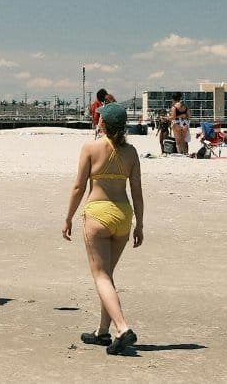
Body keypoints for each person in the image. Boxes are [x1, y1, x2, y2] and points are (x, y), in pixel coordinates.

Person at [63, 103, 144, 355]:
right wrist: (139, 223)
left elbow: (78, 187)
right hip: (123, 216)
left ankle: (122, 328)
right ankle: (102, 332)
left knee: (100, 276)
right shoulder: (131, 152)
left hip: (98, 214)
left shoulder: (91, 147)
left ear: (102, 124)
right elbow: (137, 192)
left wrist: (68, 218)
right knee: (106, 275)